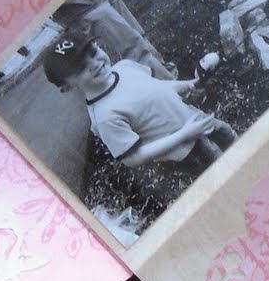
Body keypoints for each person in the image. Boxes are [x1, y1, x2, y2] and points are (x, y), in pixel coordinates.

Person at [42, 26, 237, 184]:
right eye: (80, 67)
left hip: (197, 120)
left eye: (93, 52)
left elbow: (157, 87)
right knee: (225, 171)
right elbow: (134, 158)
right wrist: (185, 134)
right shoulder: (105, 116)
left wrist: (186, 85)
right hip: (186, 151)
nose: (94, 63)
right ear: (66, 87)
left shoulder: (124, 68)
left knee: (230, 138)